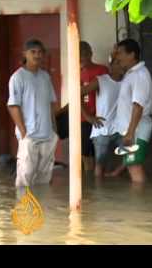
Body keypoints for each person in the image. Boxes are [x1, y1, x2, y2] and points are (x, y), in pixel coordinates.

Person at [7, 39, 59, 188]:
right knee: (25, 176)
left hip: (47, 135)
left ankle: (42, 209)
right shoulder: (18, 77)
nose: (37, 55)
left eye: (40, 52)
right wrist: (23, 132)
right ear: (25, 54)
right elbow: (13, 106)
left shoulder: (45, 77)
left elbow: (51, 104)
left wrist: (54, 131)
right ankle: (23, 208)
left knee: (44, 177)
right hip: (29, 135)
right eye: (33, 52)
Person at [54, 41, 108, 172]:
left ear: (90, 54)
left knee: (87, 155)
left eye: (83, 54)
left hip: (92, 118)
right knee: (53, 128)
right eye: (77, 55)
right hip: (79, 116)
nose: (80, 58)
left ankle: (91, 184)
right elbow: (75, 97)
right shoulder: (77, 72)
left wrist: (89, 117)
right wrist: (60, 112)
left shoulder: (101, 70)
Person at [113, 39, 152, 183]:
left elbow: (138, 106)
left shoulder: (139, 75)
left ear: (132, 55)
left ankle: (140, 203)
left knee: (134, 167)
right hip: (131, 130)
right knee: (132, 166)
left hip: (135, 130)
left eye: (120, 53)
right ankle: (140, 201)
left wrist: (130, 133)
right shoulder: (131, 74)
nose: (117, 57)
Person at [81, 55, 125, 179]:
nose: (122, 65)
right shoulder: (101, 80)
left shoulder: (128, 80)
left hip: (121, 129)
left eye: (122, 62)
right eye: (118, 63)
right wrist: (88, 117)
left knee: (131, 156)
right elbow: (78, 93)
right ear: (111, 66)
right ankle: (99, 194)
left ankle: (115, 174)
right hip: (102, 129)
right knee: (100, 164)